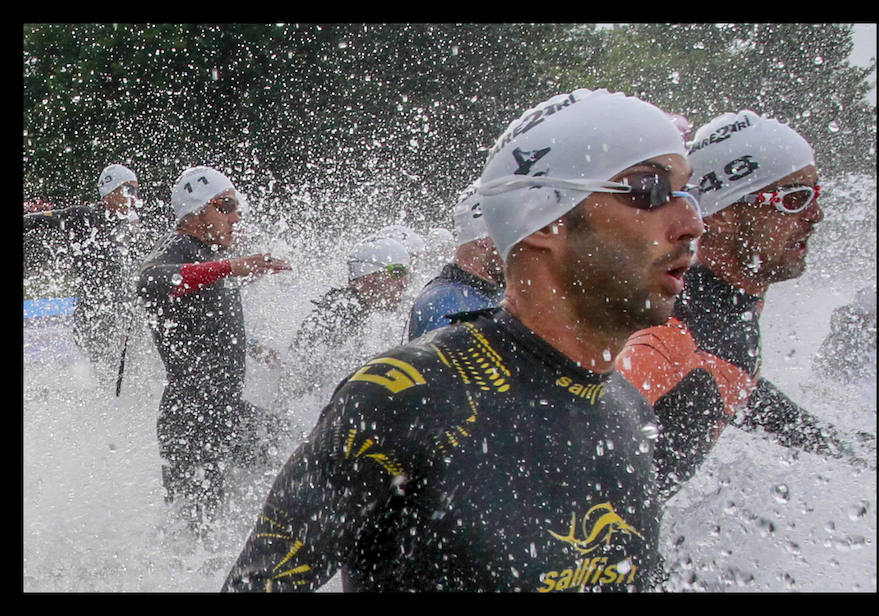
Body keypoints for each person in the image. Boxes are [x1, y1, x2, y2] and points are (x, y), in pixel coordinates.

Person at [222, 87, 704, 593]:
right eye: (649, 189)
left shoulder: (629, 411)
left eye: (688, 192)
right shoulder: (403, 398)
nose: (693, 222)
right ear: (547, 217)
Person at [616, 110, 862, 500]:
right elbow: (564, 458)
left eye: (816, 196)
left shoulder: (727, 319)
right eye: (794, 200)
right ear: (725, 215)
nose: (816, 216)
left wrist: (850, 450)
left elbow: (742, 388)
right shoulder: (667, 337)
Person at [136, 165, 292, 533]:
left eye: (237, 206)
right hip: (192, 419)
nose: (237, 216)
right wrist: (231, 266)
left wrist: (252, 347)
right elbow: (148, 282)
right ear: (196, 212)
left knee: (296, 453)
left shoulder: (207, 253)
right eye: (226, 205)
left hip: (222, 411)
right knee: (195, 534)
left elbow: (204, 322)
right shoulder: (178, 246)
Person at [23, 163, 148, 380]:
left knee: (133, 374)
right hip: (93, 313)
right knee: (105, 374)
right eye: (129, 190)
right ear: (111, 191)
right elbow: (39, 220)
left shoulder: (129, 223)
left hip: (124, 311)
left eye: (136, 191)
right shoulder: (83, 216)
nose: (134, 197)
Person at [277, 237, 412, 402]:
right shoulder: (336, 319)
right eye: (397, 272)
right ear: (368, 276)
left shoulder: (362, 314)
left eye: (407, 274)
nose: (404, 283)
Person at [406, 180, 505, 340]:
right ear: (484, 238)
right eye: (515, 237)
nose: (526, 250)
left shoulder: (480, 293)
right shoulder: (447, 303)